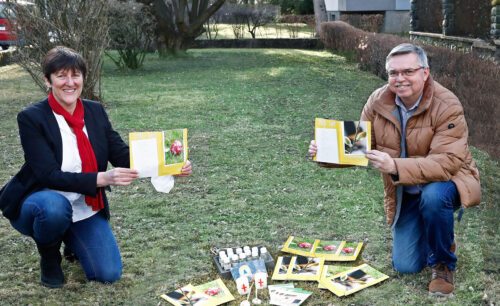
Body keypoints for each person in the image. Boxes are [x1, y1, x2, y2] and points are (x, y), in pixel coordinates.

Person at [0, 46, 192, 288]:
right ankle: (49, 256)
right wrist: (102, 178)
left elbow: (121, 154)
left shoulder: (95, 111)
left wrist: (169, 164)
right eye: (61, 76)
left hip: (84, 206)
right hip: (39, 201)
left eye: (75, 75)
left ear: (83, 78)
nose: (69, 82)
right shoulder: (31, 117)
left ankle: (72, 241)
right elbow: (47, 175)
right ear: (47, 80)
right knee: (54, 208)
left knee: (108, 273)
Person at [309, 43, 480, 297]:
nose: (399, 79)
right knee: (406, 266)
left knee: (433, 198)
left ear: (425, 72)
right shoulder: (378, 100)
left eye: (408, 71)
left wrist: (394, 165)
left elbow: (447, 162)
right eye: (393, 73)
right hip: (406, 191)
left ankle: (443, 262)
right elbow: (358, 146)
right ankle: (435, 231)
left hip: (448, 181)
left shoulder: (448, 104)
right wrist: (324, 152)